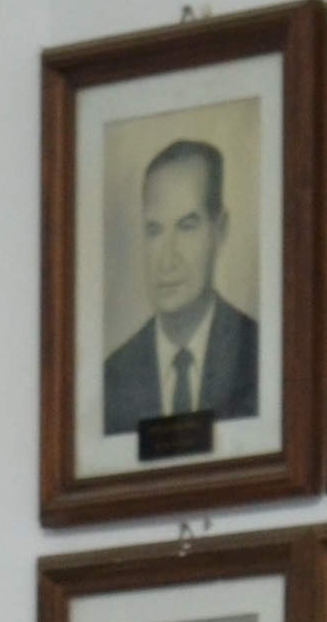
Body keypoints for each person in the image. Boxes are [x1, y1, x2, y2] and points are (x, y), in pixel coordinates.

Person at [104, 137, 262, 432]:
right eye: (154, 231)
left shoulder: (259, 356)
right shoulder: (112, 379)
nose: (167, 259)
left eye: (187, 227)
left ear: (220, 230)